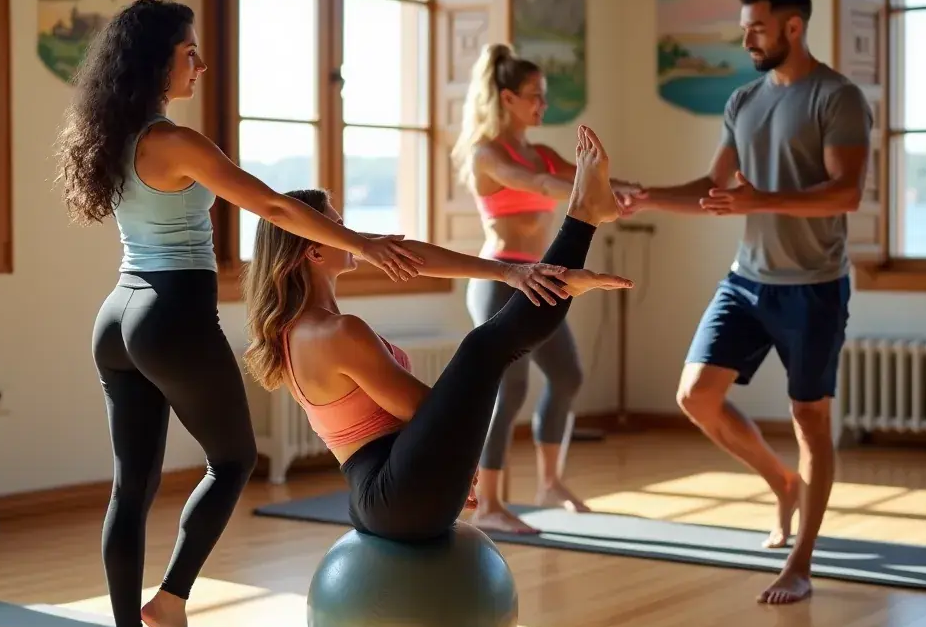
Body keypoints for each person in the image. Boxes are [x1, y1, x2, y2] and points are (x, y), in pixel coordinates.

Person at [55, 0, 424, 627]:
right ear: (156, 60)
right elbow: (277, 206)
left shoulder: (113, 136)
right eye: (188, 52)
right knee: (233, 460)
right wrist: (361, 242)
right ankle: (170, 598)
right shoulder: (174, 141)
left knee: (130, 488)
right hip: (171, 315)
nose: (198, 64)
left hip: (118, 314)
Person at [242, 126, 633, 544]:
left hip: (386, 494)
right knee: (482, 348)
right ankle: (582, 216)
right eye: (340, 228)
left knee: (486, 348)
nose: (353, 237)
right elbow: (421, 410)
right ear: (316, 250)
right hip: (396, 495)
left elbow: (407, 254)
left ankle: (583, 219)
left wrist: (508, 272)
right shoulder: (336, 331)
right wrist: (459, 458)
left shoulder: (300, 327)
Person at [619, 0, 872, 605]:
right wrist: (647, 197)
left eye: (757, 28)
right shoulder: (743, 101)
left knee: (809, 418)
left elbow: (846, 193)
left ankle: (801, 561)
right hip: (747, 280)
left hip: (814, 286)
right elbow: (715, 189)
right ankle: (783, 483)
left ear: (793, 26)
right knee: (696, 395)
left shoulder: (837, 97)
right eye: (744, 29)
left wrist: (760, 200)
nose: (747, 40)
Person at [450, 44, 642, 533]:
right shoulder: (487, 153)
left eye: (544, 95)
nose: (543, 104)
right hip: (501, 280)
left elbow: (577, 177)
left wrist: (628, 190)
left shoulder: (540, 151)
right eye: (535, 95)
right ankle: (489, 503)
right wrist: (592, 194)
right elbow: (539, 184)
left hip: (545, 275)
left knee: (567, 374)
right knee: (510, 388)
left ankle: (550, 484)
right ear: (508, 98)